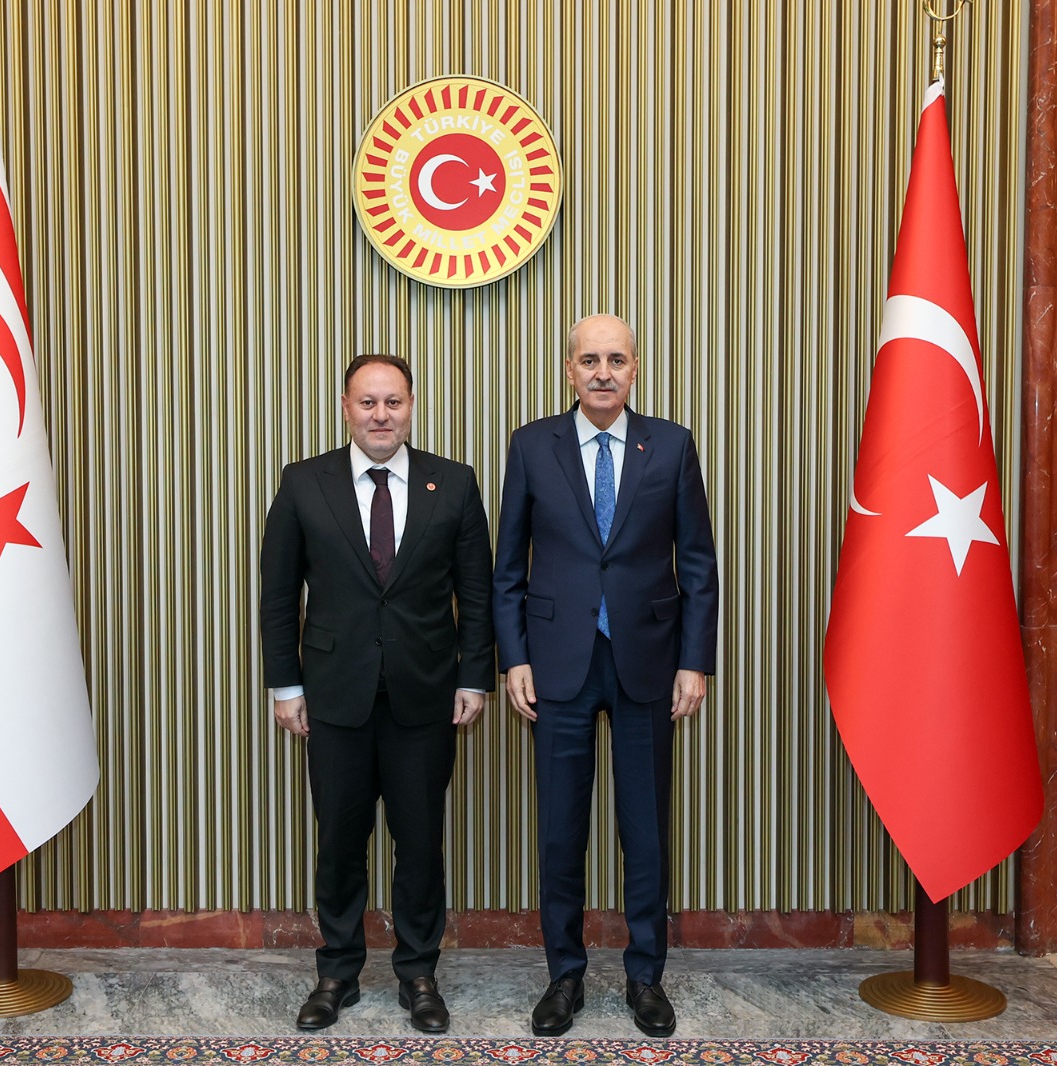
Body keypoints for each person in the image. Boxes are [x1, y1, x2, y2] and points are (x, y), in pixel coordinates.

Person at [492, 314, 719, 1038]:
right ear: (569, 370)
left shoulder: (672, 445)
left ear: (635, 368)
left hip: (647, 660)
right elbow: (506, 569)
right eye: (589, 359)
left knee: (645, 832)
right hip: (557, 663)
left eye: (616, 360)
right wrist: (514, 657)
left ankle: (645, 976)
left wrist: (694, 661)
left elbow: (699, 565)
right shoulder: (532, 445)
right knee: (561, 831)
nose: (602, 372)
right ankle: (564, 975)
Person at [260, 353, 494, 1034]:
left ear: (411, 405)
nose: (381, 415)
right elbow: (278, 595)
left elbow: (477, 592)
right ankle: (337, 972)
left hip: (426, 695)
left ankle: (418, 973)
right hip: (334, 697)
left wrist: (474, 675)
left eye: (393, 401)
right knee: (339, 842)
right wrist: (285, 684)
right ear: (345, 407)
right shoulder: (303, 482)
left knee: (420, 843)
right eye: (368, 402)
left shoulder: (454, 482)